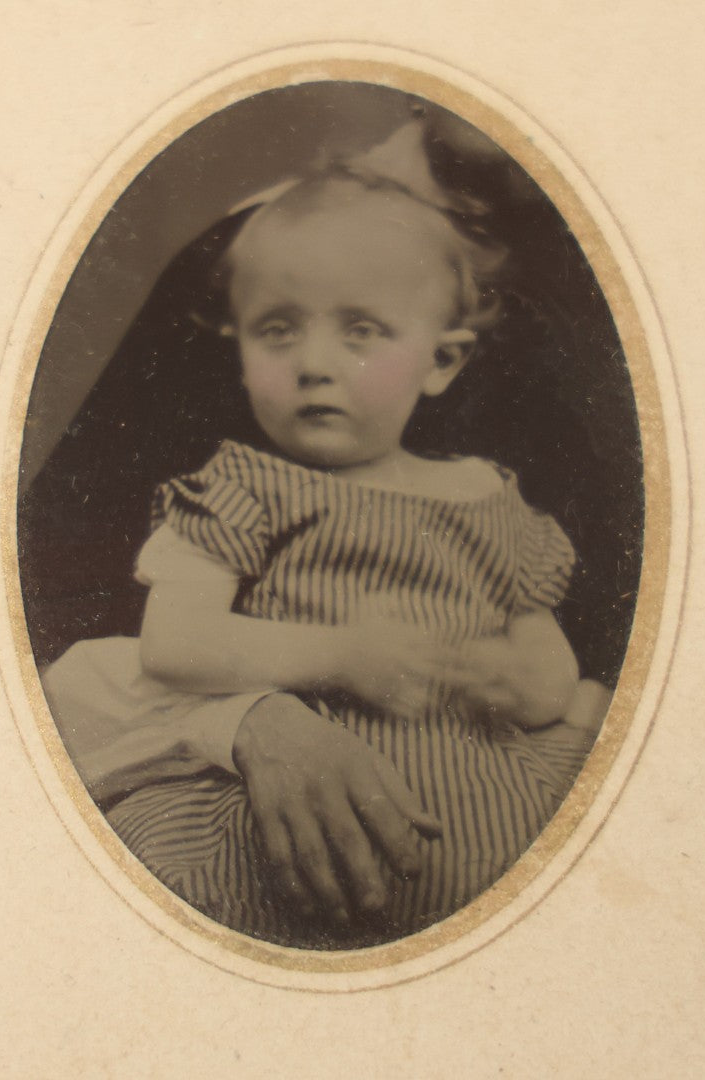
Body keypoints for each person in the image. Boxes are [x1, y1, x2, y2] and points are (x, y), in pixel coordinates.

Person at [43, 123, 601, 948]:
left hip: (483, 826)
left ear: (443, 360)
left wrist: (524, 682)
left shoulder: (489, 499)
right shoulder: (244, 485)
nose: (313, 363)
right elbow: (153, 642)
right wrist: (324, 667)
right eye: (276, 331)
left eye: (360, 332)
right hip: (276, 846)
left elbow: (549, 670)